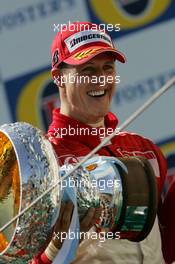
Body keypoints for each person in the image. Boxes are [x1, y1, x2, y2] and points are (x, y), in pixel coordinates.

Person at [31, 21, 167, 264]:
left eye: (108, 68)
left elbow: (167, 246)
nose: (101, 80)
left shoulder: (144, 149)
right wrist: (55, 248)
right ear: (58, 78)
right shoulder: (41, 165)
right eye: (88, 71)